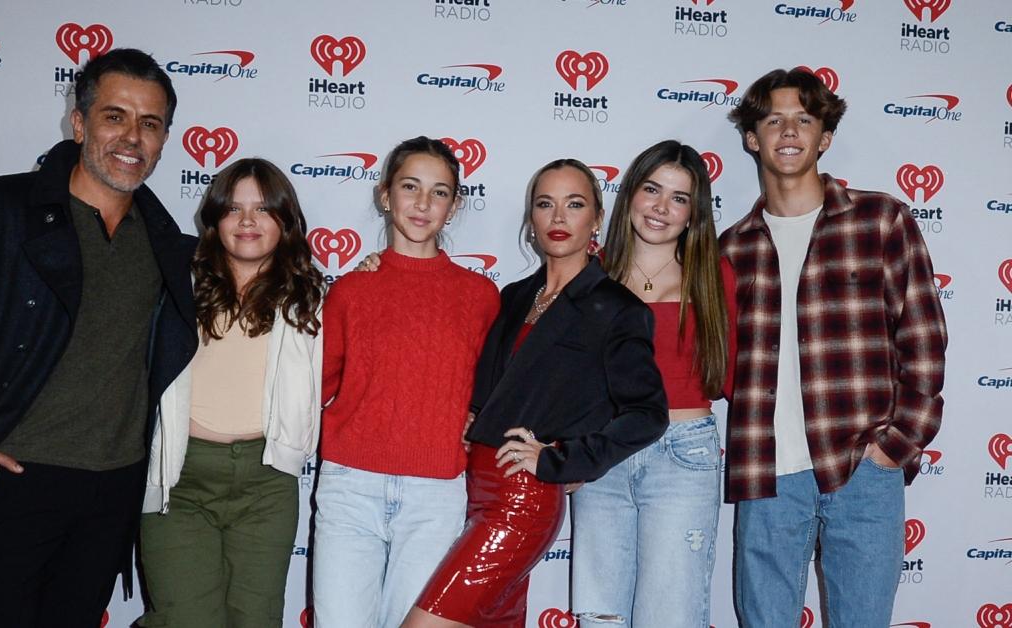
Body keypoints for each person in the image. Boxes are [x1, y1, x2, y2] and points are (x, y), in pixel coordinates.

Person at [0, 49, 195, 628]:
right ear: (79, 123)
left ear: (165, 138)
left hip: (115, 487)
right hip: (14, 480)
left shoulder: (167, 241)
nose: (132, 137)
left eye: (150, 124)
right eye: (115, 116)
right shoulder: (0, 211)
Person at [720, 68, 947, 627]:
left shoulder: (880, 219)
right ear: (753, 137)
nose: (789, 131)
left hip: (864, 465)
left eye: (804, 119)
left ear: (824, 138)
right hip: (767, 471)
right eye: (773, 119)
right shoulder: (731, 248)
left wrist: (898, 443)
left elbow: (923, 337)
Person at [406, 159, 668, 628]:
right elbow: (493, 387)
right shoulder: (511, 297)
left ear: (597, 218)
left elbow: (647, 414)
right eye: (545, 204)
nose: (559, 217)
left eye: (575, 204)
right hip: (475, 488)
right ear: (532, 220)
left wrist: (566, 458)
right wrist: (475, 415)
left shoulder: (616, 308)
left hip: (523, 499)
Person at [312, 136, 501, 628]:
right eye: (410, 186)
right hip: (350, 486)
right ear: (385, 195)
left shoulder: (481, 296)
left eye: (439, 192)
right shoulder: (351, 290)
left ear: (455, 205)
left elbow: (496, 390)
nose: (422, 203)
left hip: (436, 493)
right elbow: (315, 385)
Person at [138, 158, 325, 627]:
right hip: (180, 480)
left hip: (267, 484)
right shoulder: (174, 283)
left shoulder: (312, 298)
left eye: (263, 209)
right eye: (234, 209)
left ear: (285, 221)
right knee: (185, 620)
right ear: (215, 218)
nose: (247, 221)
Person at [568, 140, 736, 627]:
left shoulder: (712, 274)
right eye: (652, 189)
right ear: (630, 195)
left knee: (672, 616)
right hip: (604, 452)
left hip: (683, 455)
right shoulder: (589, 272)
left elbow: (729, 373)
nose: (661, 207)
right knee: (599, 617)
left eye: (679, 198)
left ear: (693, 213)